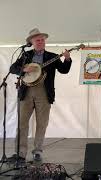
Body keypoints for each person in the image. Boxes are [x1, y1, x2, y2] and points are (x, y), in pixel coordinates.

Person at [10, 28, 72, 161]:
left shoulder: (52, 56)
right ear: (31, 42)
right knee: (22, 123)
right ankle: (20, 153)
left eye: (42, 40)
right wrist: (24, 68)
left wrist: (67, 59)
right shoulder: (25, 55)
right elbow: (12, 68)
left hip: (44, 92)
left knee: (42, 123)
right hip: (26, 91)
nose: (40, 42)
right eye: (37, 40)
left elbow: (64, 70)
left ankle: (37, 151)